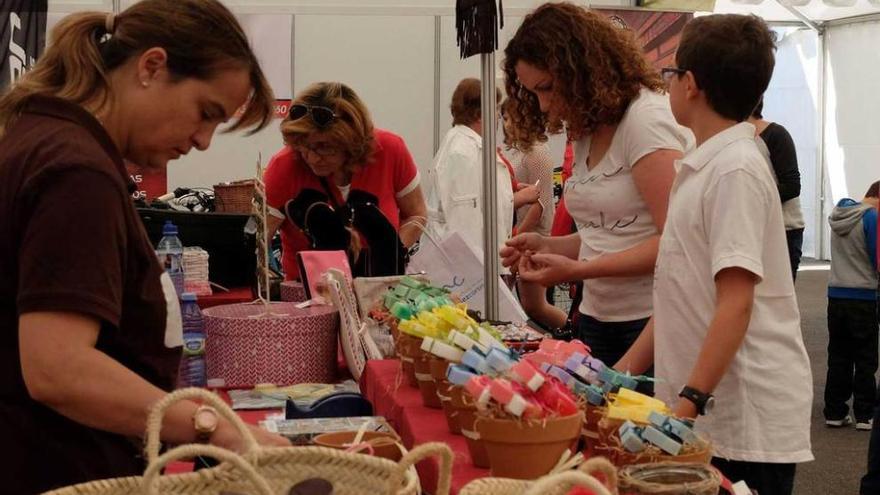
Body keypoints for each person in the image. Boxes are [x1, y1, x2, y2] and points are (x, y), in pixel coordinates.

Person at [0, 1, 290, 492]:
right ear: (151, 67)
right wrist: (216, 429)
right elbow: (58, 368)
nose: (202, 141)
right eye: (205, 113)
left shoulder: (45, 139)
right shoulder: (77, 173)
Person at [615, 14, 812, 494]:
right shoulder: (706, 164)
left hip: (742, 420)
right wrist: (619, 374)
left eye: (671, 74)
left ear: (691, 85)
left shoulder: (734, 170)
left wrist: (688, 403)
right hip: (707, 411)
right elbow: (682, 294)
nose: (669, 84)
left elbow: (735, 302)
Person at [500, 3, 688, 367]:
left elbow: (679, 243)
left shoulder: (645, 121)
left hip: (651, 322)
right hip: (597, 318)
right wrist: (548, 245)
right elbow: (610, 233)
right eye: (533, 92)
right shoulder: (589, 125)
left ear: (582, 70)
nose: (542, 104)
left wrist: (579, 270)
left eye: (547, 88)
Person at [264, 82, 428, 279]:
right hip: (309, 298)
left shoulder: (390, 150)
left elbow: (416, 215)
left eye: (324, 147)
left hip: (379, 289)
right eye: (303, 146)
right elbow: (258, 241)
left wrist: (390, 254)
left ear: (351, 142)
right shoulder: (284, 166)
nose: (312, 157)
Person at [424, 77, 539, 257]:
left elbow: (481, 202)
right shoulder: (462, 153)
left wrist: (509, 191)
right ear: (479, 114)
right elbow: (465, 219)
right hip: (471, 265)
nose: (498, 117)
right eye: (494, 109)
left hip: (478, 260)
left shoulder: (467, 147)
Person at [499, 99, 567, 330]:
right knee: (529, 305)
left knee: (536, 306)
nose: (506, 125)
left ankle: (572, 333)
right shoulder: (521, 151)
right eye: (504, 119)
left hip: (535, 236)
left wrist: (519, 233)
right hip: (524, 235)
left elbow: (540, 204)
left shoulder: (537, 152)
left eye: (510, 118)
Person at [824, 181, 878, 430]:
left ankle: (835, 411)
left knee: (838, 356)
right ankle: (865, 414)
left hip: (836, 295)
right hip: (864, 296)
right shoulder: (872, 218)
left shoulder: (838, 215)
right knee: (866, 357)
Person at [749, 99, 806, 281]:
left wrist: (748, 199)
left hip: (783, 229)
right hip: (751, 227)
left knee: (778, 298)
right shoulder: (729, 137)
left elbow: (792, 186)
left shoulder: (775, 135)